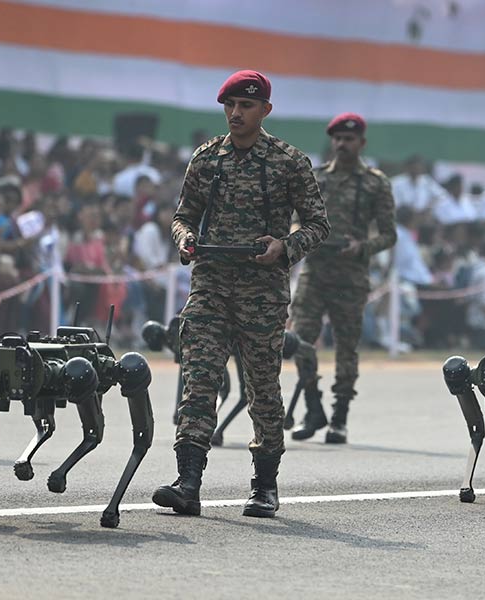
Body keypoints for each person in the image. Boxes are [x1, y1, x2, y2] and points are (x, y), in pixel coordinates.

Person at [152, 69, 329, 518]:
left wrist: (284, 247)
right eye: (229, 105)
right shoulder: (207, 158)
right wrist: (184, 240)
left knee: (262, 389)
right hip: (210, 285)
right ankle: (188, 482)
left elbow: (317, 224)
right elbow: (182, 215)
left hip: (262, 292)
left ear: (265, 110)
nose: (235, 113)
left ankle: (264, 486)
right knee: (199, 381)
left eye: (245, 106)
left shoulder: (288, 161)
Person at [290, 113, 396, 444]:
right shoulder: (317, 179)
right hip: (315, 272)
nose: (342, 144)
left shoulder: (375, 183)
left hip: (351, 275)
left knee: (346, 348)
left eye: (348, 139)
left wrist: (363, 246)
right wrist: (303, 237)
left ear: (361, 143)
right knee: (299, 340)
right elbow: (295, 221)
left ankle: (339, 417)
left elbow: (389, 235)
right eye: (337, 138)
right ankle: (313, 406)